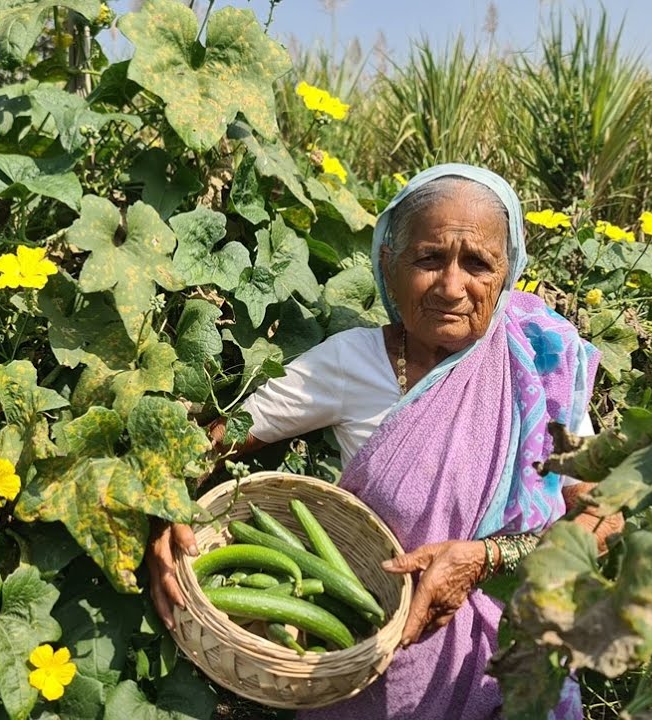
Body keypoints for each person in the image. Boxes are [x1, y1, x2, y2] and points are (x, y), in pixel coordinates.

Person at [147, 164, 623, 720]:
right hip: (377, 666)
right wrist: (165, 509)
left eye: (477, 263)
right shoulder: (351, 361)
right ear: (388, 266)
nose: (452, 287)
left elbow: (604, 517)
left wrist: (486, 558)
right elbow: (215, 441)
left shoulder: (536, 360)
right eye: (428, 259)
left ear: (508, 272)